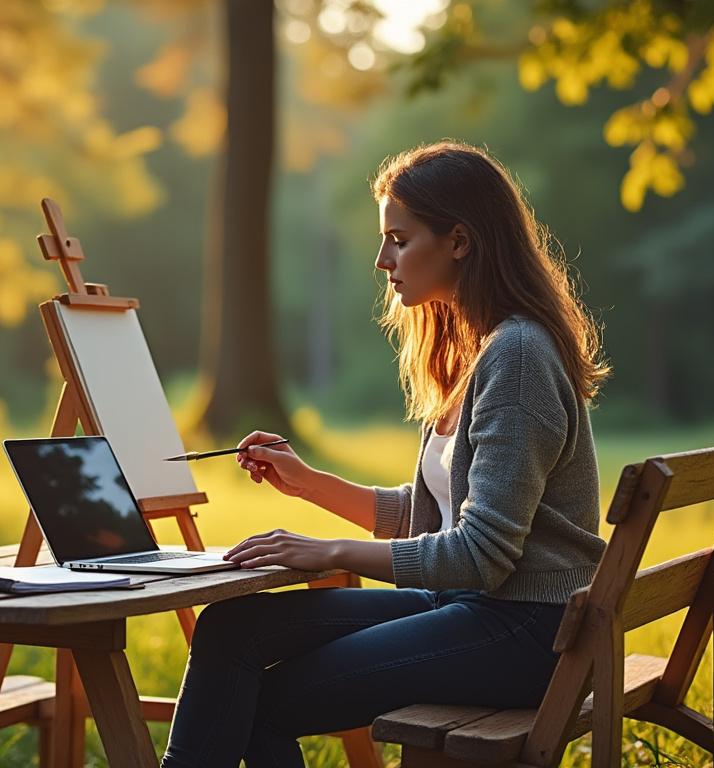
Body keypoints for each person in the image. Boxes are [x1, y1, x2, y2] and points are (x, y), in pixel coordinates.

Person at [159, 140, 611, 767]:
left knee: (262, 698)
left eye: (399, 239)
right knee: (231, 629)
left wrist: (328, 552)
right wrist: (308, 482)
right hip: (480, 609)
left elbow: (479, 556)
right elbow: (434, 518)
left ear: (459, 240)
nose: (381, 259)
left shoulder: (517, 357)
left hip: (527, 630)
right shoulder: (478, 349)